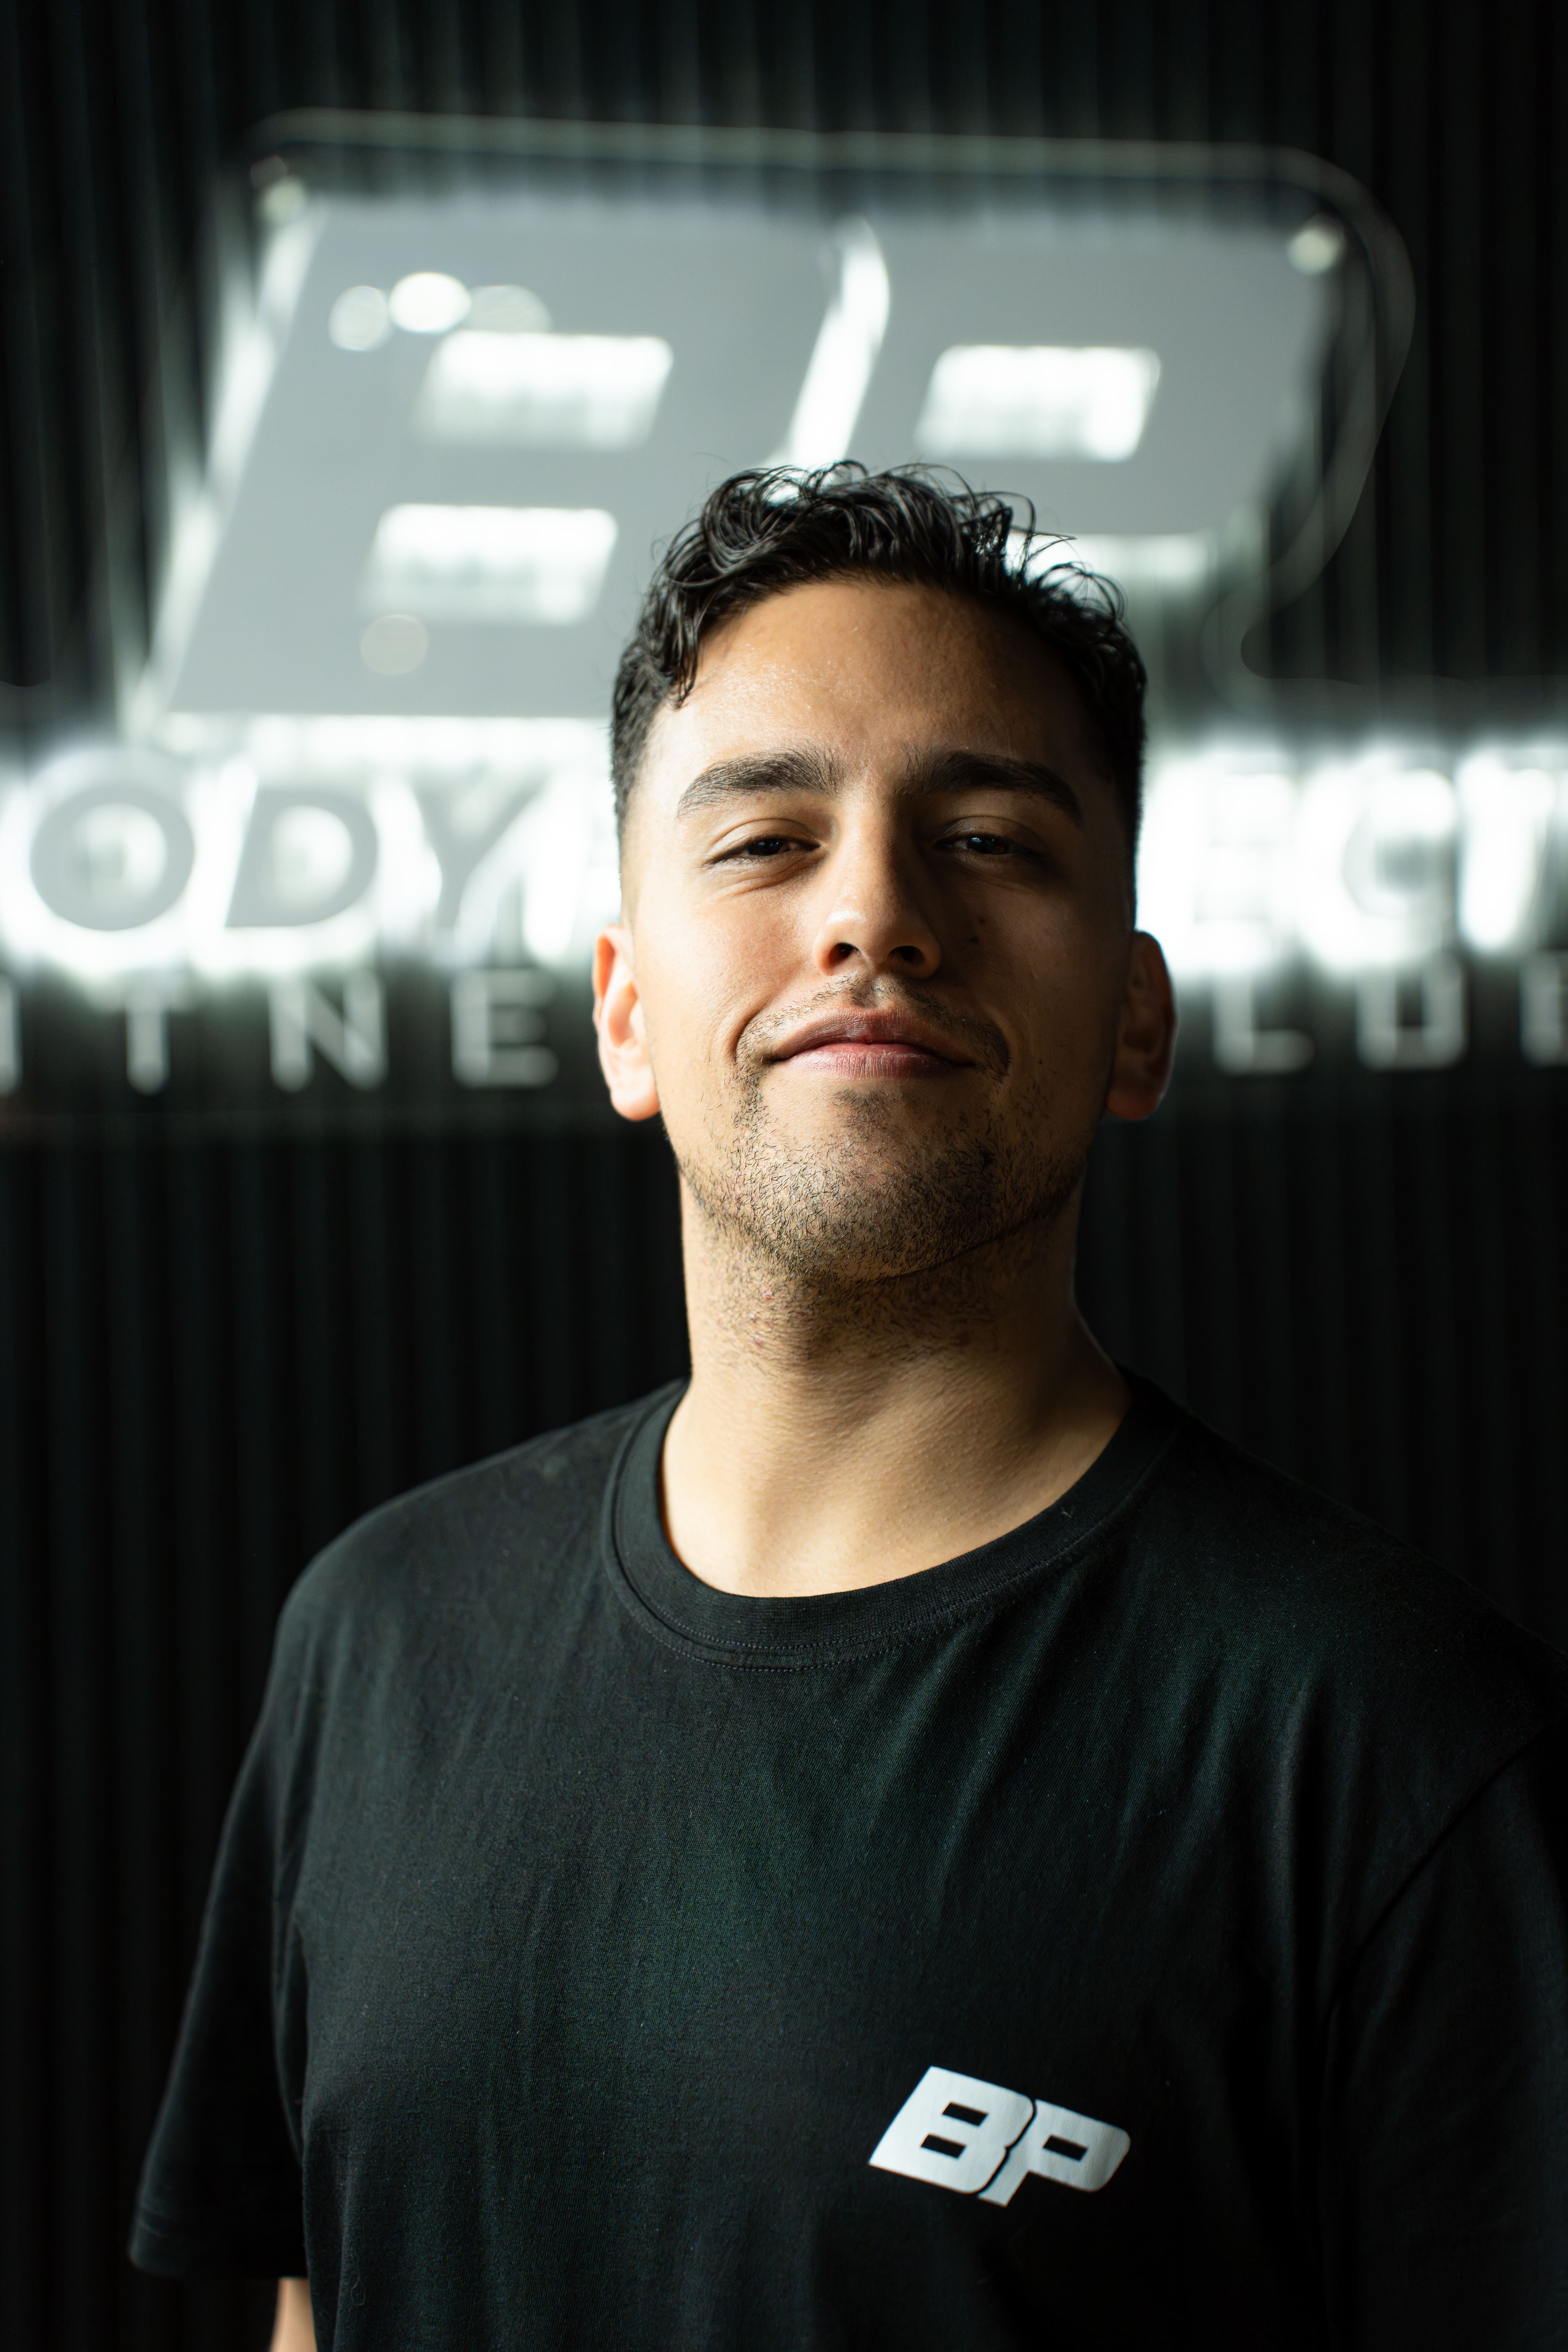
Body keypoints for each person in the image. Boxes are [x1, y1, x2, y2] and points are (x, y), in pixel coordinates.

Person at [132, 468, 1568, 2352]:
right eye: (765, 839)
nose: (876, 910)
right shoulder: (380, 1637)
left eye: (987, 839)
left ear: (1138, 1019)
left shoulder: (1393, 1749)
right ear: (625, 1012)